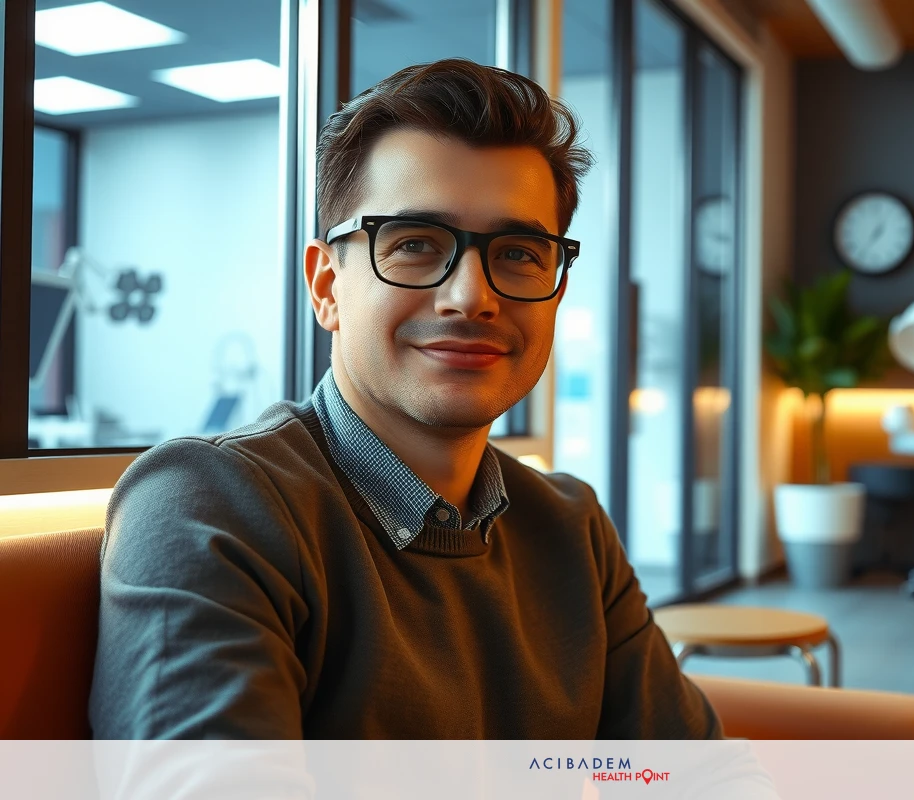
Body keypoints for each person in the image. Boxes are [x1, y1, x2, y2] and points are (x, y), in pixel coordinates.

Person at [88, 59, 752, 750]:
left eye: (520, 253)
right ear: (326, 286)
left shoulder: (570, 527)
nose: (471, 296)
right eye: (414, 245)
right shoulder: (212, 504)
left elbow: (689, 772)